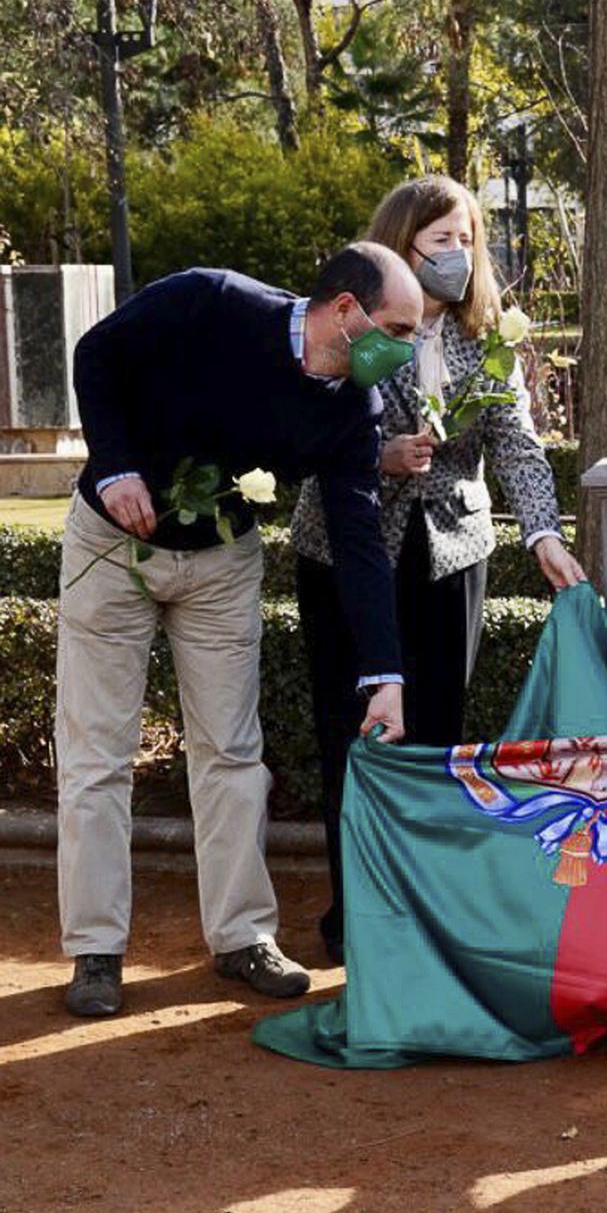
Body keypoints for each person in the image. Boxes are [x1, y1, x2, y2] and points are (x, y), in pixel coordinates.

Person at [58, 244, 421, 1019]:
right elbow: (97, 354)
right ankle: (95, 949)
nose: (405, 349)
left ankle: (242, 937)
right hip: (112, 540)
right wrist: (114, 465)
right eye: (397, 328)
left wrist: (384, 675)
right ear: (346, 311)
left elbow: (359, 542)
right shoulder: (211, 300)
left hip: (222, 561)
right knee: (97, 753)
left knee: (231, 752)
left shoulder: (354, 410)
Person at [291, 175, 587, 964]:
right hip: (346, 551)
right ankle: (357, 915)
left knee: (436, 737)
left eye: (467, 240)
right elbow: (303, 430)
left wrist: (543, 534)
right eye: (440, 240)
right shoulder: (356, 324)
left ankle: (425, 917)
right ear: (402, 243)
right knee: (352, 733)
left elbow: (516, 443)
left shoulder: (488, 338)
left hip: (451, 552)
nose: (457, 254)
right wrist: (375, 455)